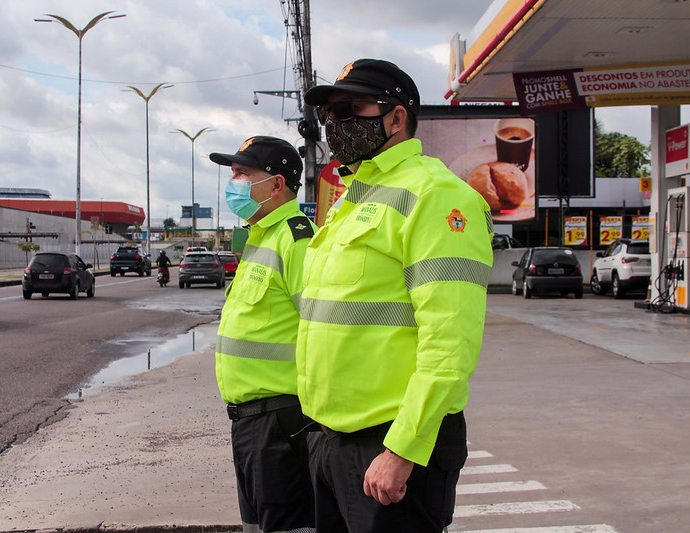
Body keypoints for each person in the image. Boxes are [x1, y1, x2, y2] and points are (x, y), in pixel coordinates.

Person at [296, 59, 494, 532]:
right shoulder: (353, 197)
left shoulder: (437, 196)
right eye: (329, 114)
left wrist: (402, 449)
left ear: (396, 117)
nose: (336, 123)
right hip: (332, 442)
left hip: (391, 448)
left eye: (350, 108)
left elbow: (449, 343)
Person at [209, 136, 316, 533]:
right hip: (250, 424)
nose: (233, 182)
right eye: (232, 173)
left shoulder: (296, 238)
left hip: (284, 423)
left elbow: (319, 330)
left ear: (276, 185)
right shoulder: (260, 237)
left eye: (242, 173)